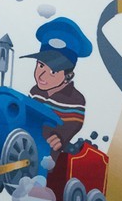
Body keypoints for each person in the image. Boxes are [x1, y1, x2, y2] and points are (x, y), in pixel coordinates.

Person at [22, 16, 91, 157]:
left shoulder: (76, 99)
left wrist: (60, 137)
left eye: (53, 72)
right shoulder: (34, 92)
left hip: (48, 154)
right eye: (41, 65)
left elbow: (72, 125)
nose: (41, 75)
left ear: (68, 75)